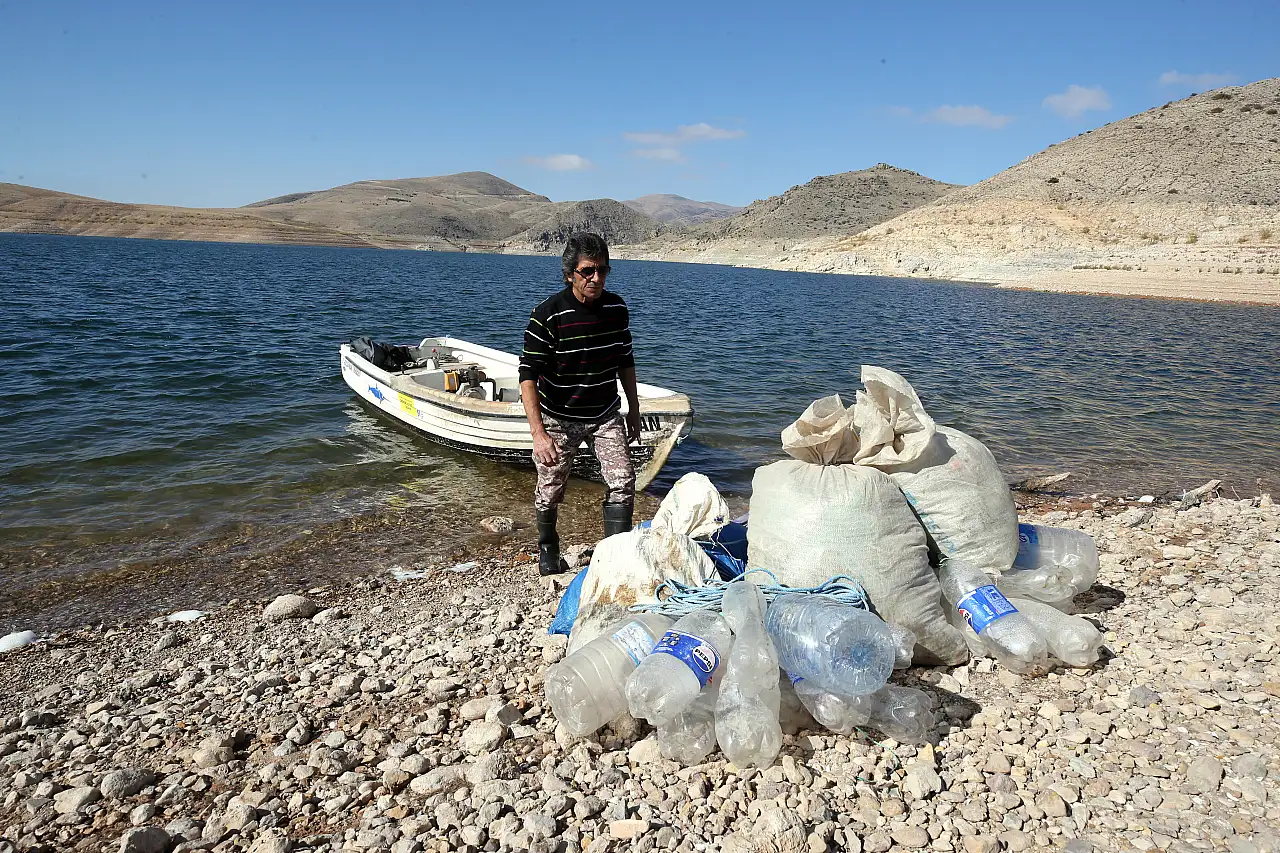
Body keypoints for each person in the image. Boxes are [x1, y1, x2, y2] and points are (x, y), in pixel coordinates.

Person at [519, 233, 641, 576]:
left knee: (623, 481)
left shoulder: (616, 309)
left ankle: (614, 558)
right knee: (550, 489)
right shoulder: (547, 316)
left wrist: (633, 409)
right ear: (569, 273)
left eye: (603, 270)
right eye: (588, 271)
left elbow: (626, 361)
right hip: (558, 417)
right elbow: (527, 375)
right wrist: (539, 434)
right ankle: (548, 550)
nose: (596, 279)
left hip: (604, 414)